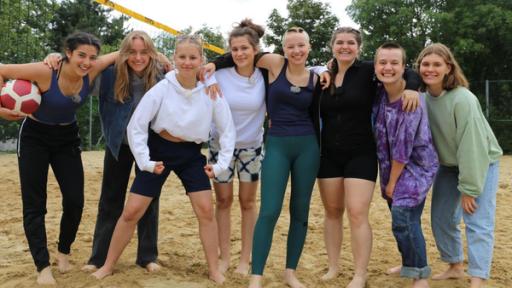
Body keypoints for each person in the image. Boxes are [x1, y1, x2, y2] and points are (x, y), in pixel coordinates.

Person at [91, 34, 235, 284]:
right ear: (174, 58)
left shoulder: (211, 90)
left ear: (201, 59)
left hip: (191, 155)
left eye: (193, 57)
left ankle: (214, 269)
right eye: (182, 57)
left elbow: (227, 130)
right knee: (132, 210)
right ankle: (107, 265)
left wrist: (221, 165)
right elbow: (136, 126)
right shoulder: (163, 87)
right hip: (159, 150)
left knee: (205, 210)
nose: (187, 62)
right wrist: (145, 161)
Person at [0, 31, 116, 285]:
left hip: (67, 138)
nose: (86, 61)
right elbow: (2, 70)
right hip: (34, 137)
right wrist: (1, 109)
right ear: (68, 53)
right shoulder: (45, 71)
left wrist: (158, 54)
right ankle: (42, 267)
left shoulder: (92, 69)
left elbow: (123, 51)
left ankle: (64, 251)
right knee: (35, 205)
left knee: (75, 200)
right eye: (81, 55)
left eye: (92, 57)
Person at [316, 27, 420, 288]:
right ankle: (333, 266)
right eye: (340, 42)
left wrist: (414, 88)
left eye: (351, 43)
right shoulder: (323, 76)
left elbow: (404, 71)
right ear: (332, 46)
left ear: (358, 47)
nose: (345, 47)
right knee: (332, 212)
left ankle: (360, 274)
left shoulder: (367, 72)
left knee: (357, 212)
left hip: (361, 152)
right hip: (328, 154)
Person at [415, 43, 502, 288]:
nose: (430, 69)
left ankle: (478, 278)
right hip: (449, 165)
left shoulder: (463, 99)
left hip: (481, 162)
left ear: (448, 68)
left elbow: (472, 146)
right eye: (425, 64)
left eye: (436, 64)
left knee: (477, 221)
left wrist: (470, 188)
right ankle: (454, 265)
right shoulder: (421, 97)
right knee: (441, 217)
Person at [83, 30, 165, 273]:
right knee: (110, 200)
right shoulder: (110, 75)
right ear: (123, 53)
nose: (138, 58)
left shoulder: (161, 76)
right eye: (131, 52)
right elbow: (85, 71)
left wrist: (164, 59)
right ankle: (98, 258)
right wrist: (117, 56)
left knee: (148, 201)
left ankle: (147, 256)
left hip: (151, 147)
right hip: (119, 145)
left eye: (143, 52)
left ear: (151, 54)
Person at [373, 42, 438, 288]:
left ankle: (420, 274)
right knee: (402, 220)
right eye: (382, 62)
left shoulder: (411, 101)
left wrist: (391, 183)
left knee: (403, 217)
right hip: (391, 167)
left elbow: (402, 148)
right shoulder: (379, 92)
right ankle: (409, 262)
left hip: (415, 168)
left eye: (394, 63)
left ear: (403, 67)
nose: (387, 67)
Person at [208, 19, 266, 276]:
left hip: (251, 147)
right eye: (235, 49)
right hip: (220, 147)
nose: (240, 53)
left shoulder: (266, 74)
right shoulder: (216, 74)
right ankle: (224, 257)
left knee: (247, 202)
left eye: (245, 48)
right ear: (229, 52)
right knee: (223, 201)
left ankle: (245, 258)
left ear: (255, 50)